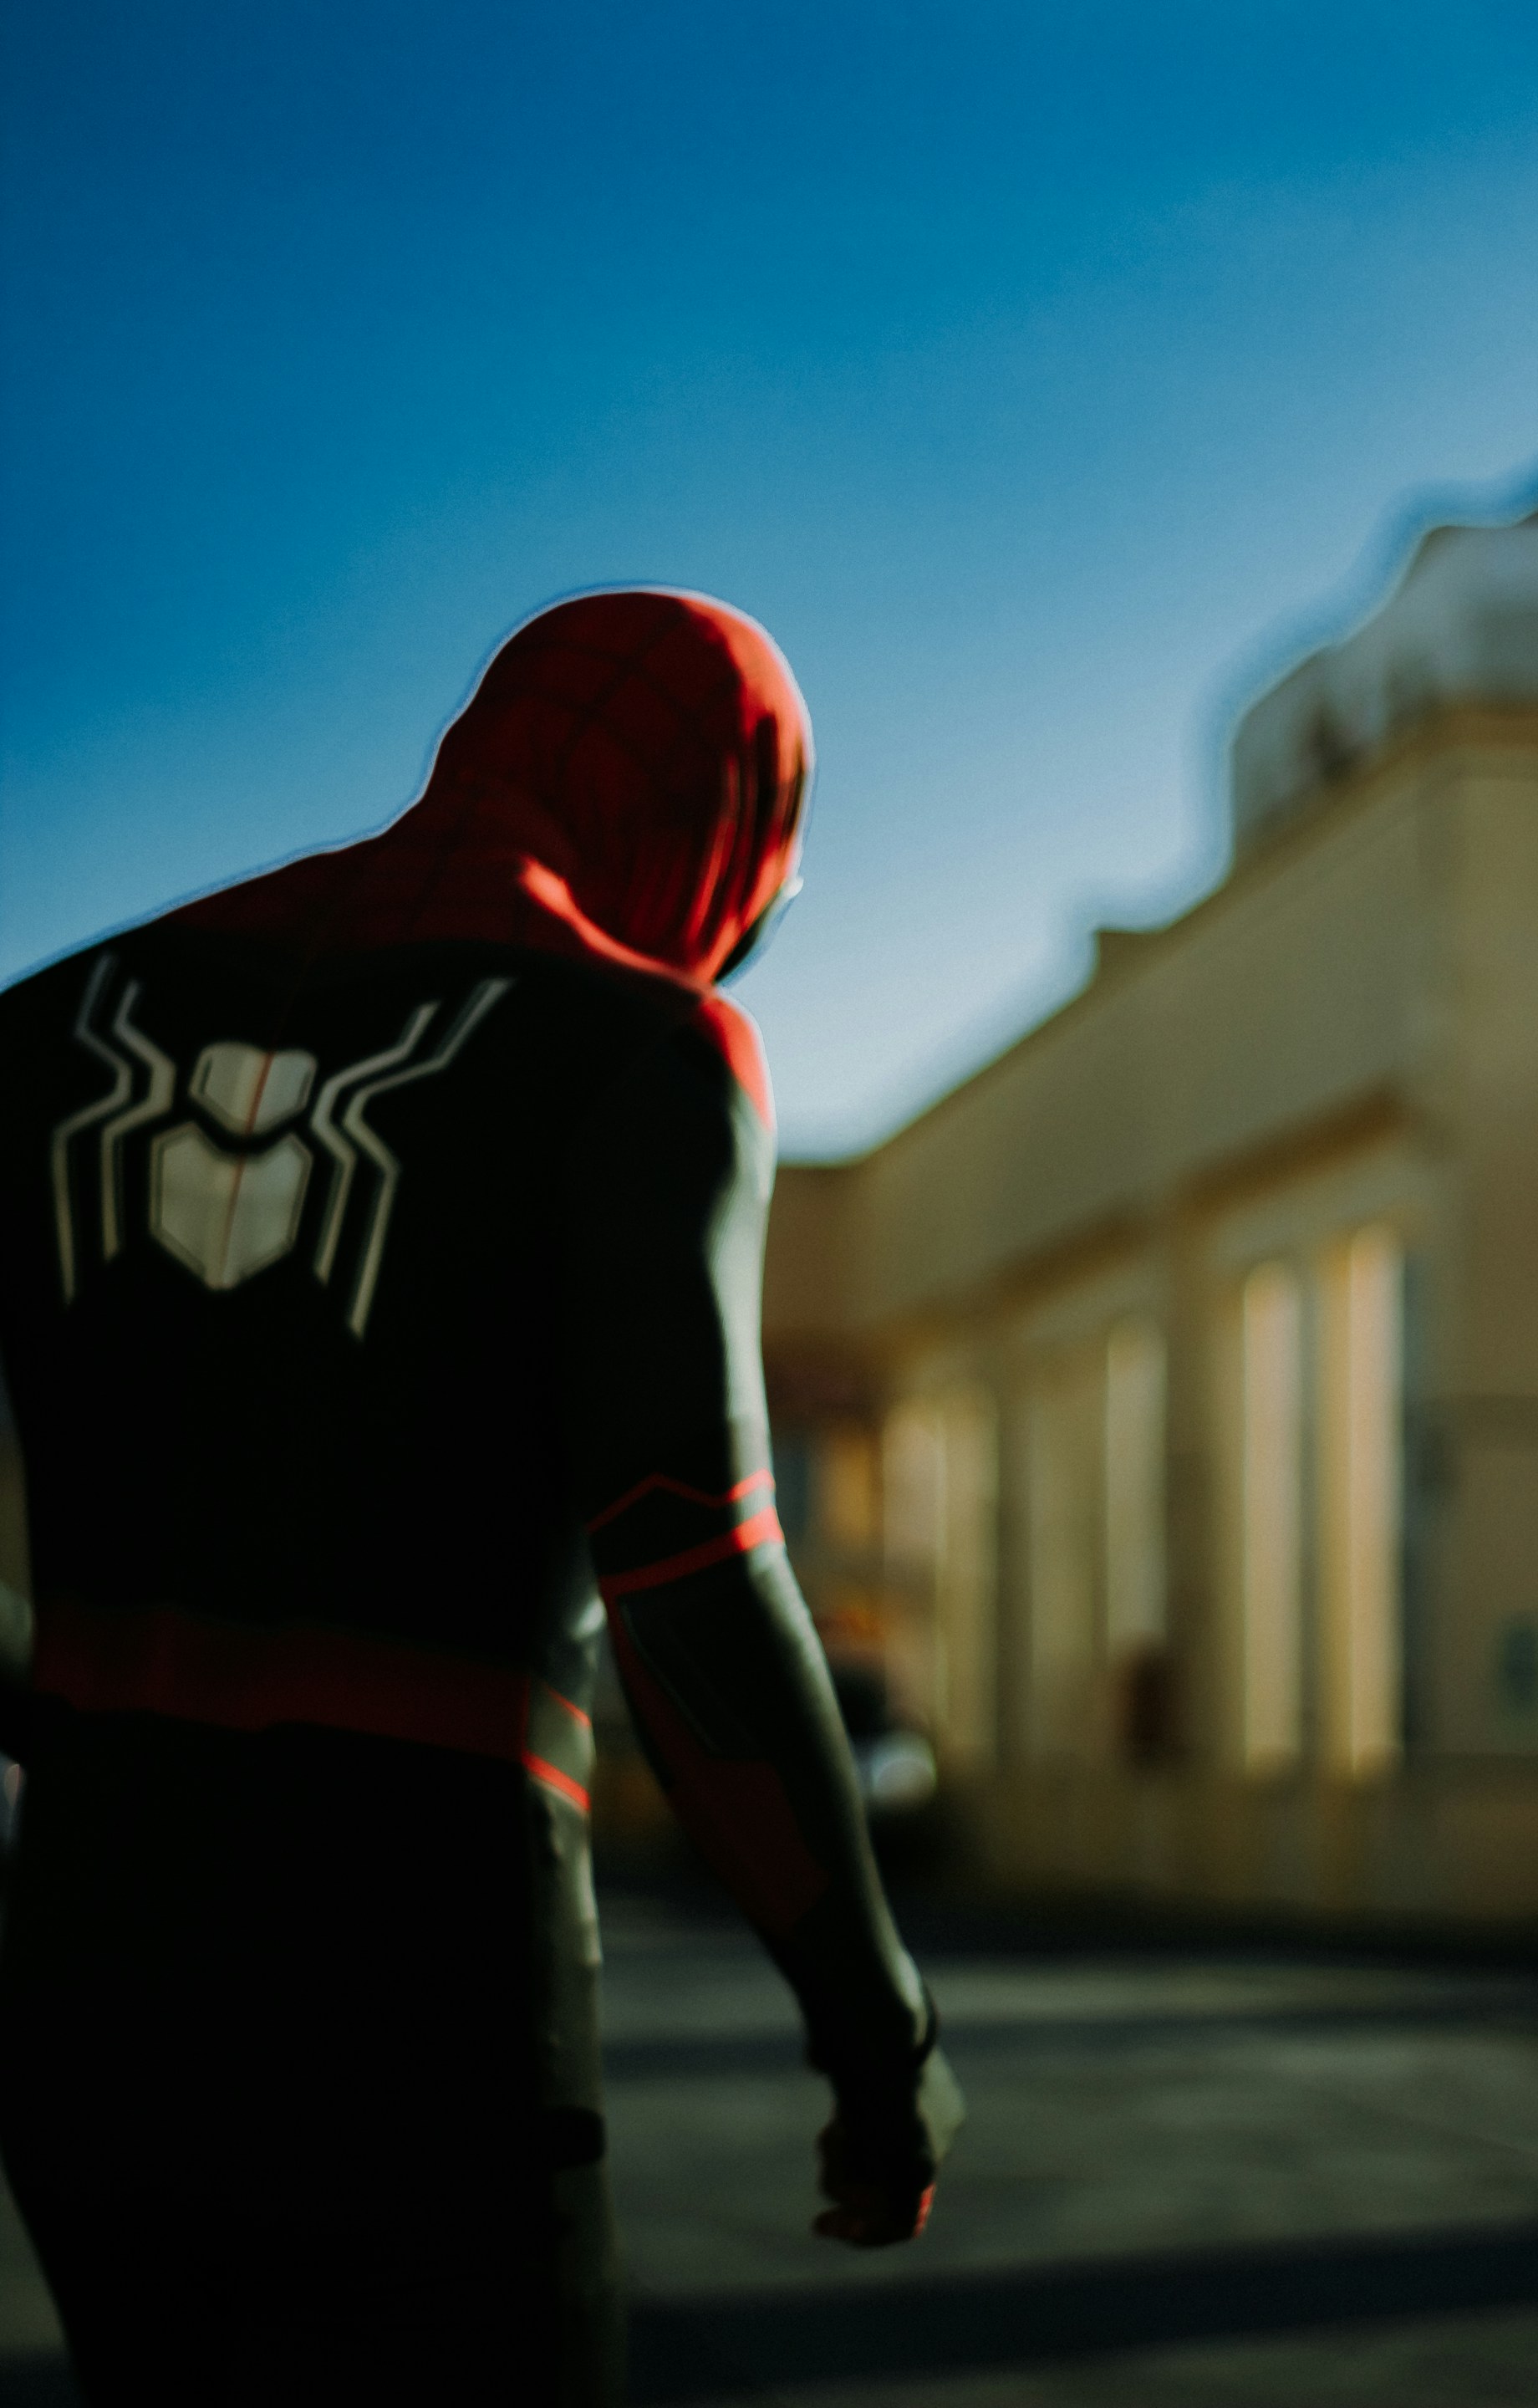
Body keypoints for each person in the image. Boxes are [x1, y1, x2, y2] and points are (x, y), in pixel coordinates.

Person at [0, 589, 963, 2406]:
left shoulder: (43, 1028)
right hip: (427, 2001)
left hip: (82, 1993)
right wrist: (876, 2028)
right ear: (719, 811)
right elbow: (690, 1572)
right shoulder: (639, 1051)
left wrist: (86, 1716)